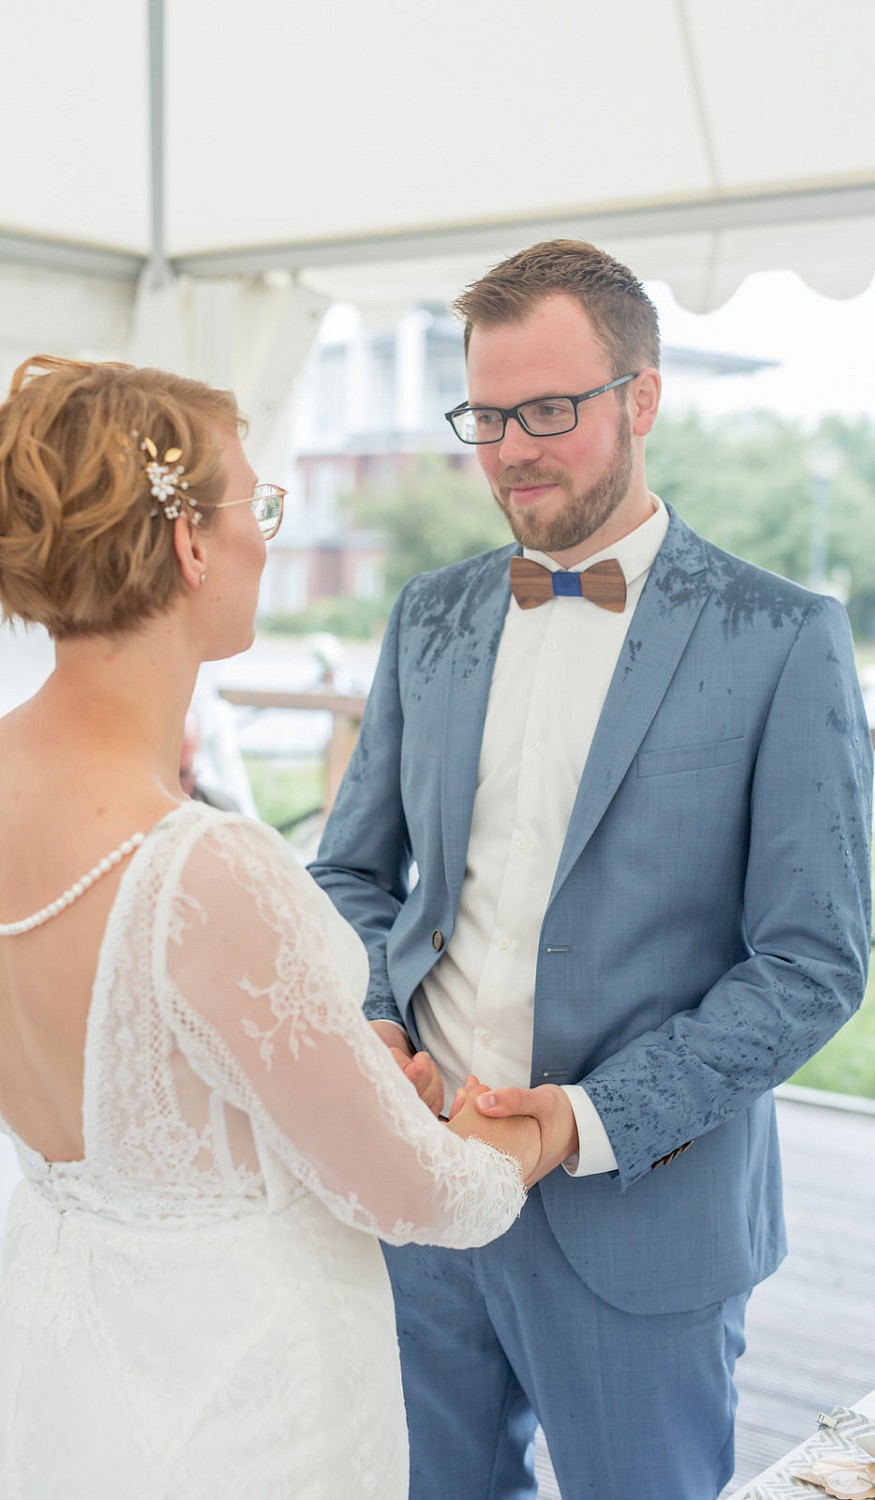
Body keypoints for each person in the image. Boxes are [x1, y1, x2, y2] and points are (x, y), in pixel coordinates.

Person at [309, 240, 874, 1500]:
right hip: (422, 1195)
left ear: (642, 397)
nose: (512, 449)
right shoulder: (429, 616)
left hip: (646, 1221)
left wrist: (579, 1123)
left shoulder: (784, 639)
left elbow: (811, 964)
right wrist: (373, 1033)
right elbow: (349, 877)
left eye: (549, 410)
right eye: (488, 417)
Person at [0, 355, 540, 1499]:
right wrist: (520, 1144)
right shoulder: (202, 867)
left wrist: (334, 1072)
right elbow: (409, 1194)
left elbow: (147, 1087)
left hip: (67, 1368)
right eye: (260, 503)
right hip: (245, 1406)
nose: (267, 537)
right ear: (192, 543)